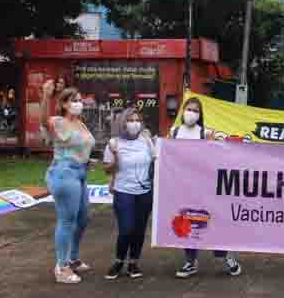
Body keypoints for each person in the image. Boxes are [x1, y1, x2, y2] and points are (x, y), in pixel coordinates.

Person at [172, 97, 243, 278]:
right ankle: (190, 261)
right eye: (189, 109)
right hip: (182, 186)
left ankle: (225, 255)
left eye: (195, 110)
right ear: (183, 111)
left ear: (200, 115)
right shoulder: (174, 132)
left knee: (212, 222)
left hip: (203, 187)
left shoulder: (205, 133)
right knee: (186, 221)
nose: (191, 113)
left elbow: (215, 158)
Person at [40, 79, 96, 284]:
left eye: (80, 100)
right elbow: (43, 121)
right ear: (64, 104)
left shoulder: (80, 123)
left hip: (80, 173)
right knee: (67, 220)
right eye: (74, 100)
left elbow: (83, 146)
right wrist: (46, 95)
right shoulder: (58, 121)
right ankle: (62, 267)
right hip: (64, 173)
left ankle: (72, 258)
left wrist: (87, 160)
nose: (78, 103)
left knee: (83, 218)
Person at [103, 108, 155, 280]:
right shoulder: (114, 143)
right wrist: (116, 158)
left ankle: (133, 261)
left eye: (137, 120)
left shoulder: (146, 141)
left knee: (139, 229)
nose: (135, 124)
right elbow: (106, 169)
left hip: (144, 192)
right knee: (126, 229)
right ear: (123, 123)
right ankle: (119, 261)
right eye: (130, 120)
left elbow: (156, 162)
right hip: (123, 191)